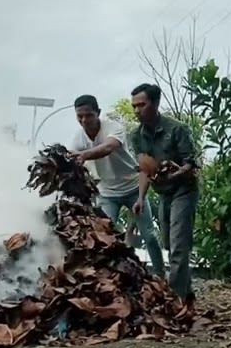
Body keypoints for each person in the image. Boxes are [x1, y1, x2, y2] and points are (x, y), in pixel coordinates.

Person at [69, 94, 167, 278]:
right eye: (79, 116)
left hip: (133, 188)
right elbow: (72, 159)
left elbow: (108, 147)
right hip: (106, 193)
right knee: (104, 236)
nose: (84, 120)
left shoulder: (114, 128)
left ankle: (161, 275)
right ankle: (109, 277)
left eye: (88, 115)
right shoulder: (78, 138)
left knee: (149, 235)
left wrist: (83, 155)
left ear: (98, 113)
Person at [127, 82, 199, 305]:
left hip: (184, 190)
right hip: (164, 193)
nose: (138, 110)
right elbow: (144, 170)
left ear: (156, 103)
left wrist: (173, 174)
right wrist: (140, 198)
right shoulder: (136, 136)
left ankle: (175, 300)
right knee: (169, 242)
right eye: (134, 106)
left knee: (179, 244)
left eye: (142, 105)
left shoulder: (177, 129)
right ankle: (187, 294)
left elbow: (191, 164)